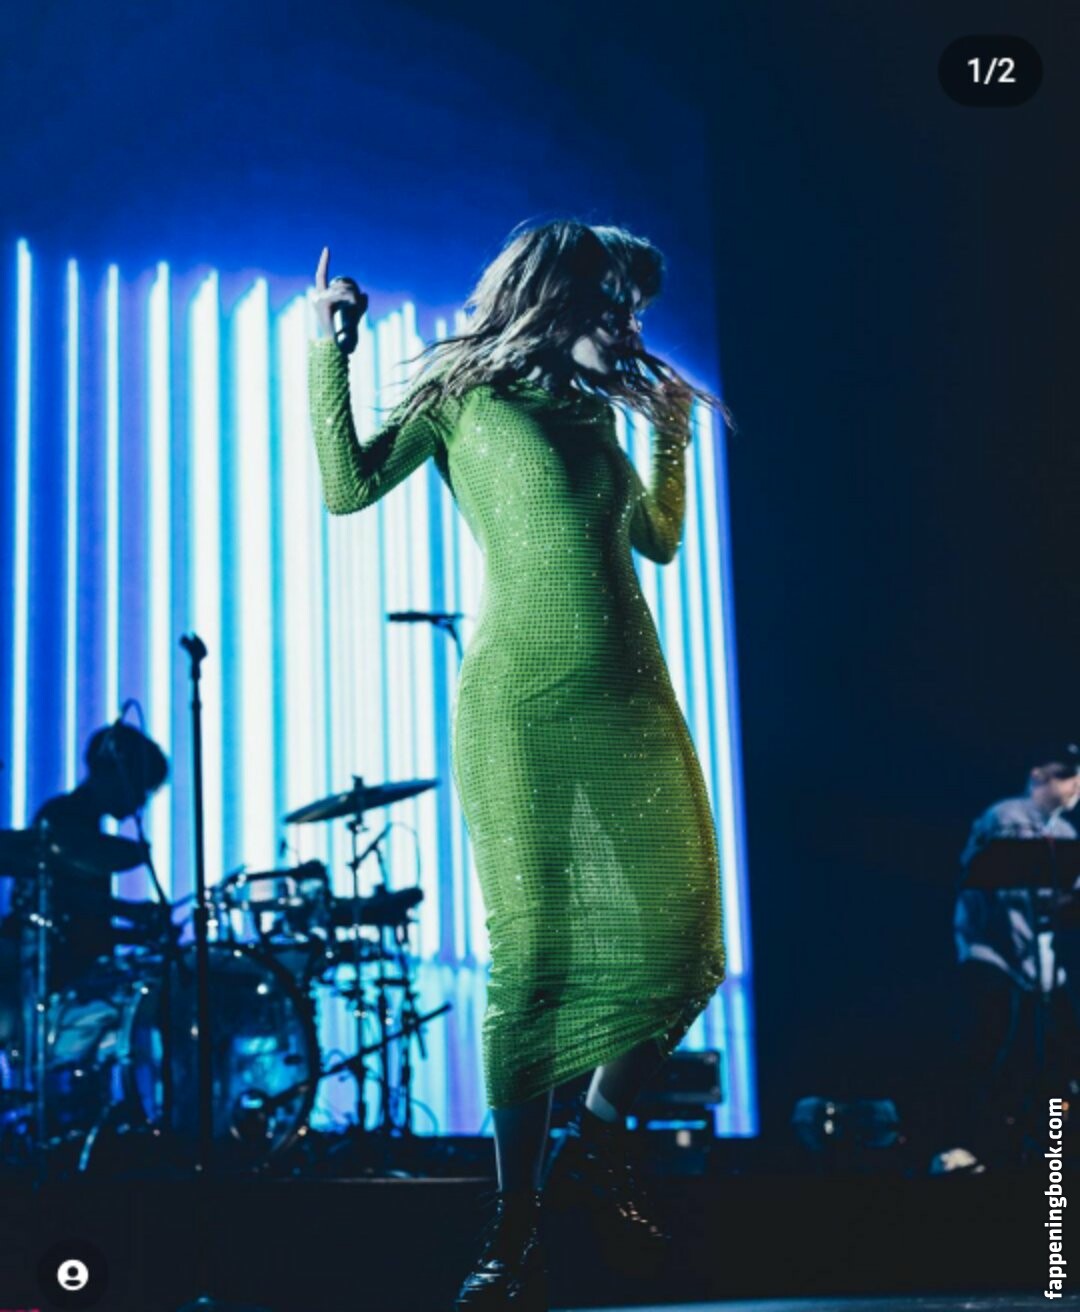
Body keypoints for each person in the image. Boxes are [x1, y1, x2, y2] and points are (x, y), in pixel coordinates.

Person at [307, 219, 729, 1308]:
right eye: (616, 307)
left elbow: (659, 540)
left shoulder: (597, 412)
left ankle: (596, 1141)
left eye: (637, 311)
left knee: (689, 943)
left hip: (631, 701)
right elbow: (347, 488)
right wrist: (327, 351)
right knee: (531, 959)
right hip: (516, 706)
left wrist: (672, 433)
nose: (631, 328)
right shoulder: (460, 396)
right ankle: (513, 1228)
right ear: (557, 297)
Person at [931, 745, 1080, 1173]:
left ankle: (1054, 1150)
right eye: (1065, 774)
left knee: (1060, 1056)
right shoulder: (1006, 816)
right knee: (989, 1045)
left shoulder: (1066, 833)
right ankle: (963, 1145)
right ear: (1038, 776)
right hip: (993, 956)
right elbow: (993, 885)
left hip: (1041, 965)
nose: (1076, 783)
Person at [1, 721, 170, 996]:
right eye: (140, 787)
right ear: (114, 775)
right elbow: (63, 906)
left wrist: (138, 933)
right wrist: (130, 912)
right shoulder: (62, 820)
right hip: (42, 970)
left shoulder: (88, 827)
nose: (141, 801)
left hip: (72, 969)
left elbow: (87, 928)